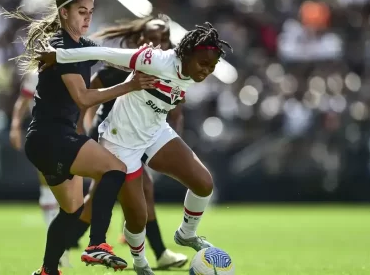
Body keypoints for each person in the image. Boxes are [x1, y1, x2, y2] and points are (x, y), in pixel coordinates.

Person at [36, 21, 232, 274]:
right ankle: (140, 262)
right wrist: (59, 55)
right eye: (203, 64)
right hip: (120, 142)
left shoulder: (190, 71)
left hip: (154, 132)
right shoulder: (154, 59)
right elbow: (104, 53)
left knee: (204, 183)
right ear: (186, 54)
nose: (206, 71)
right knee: (138, 217)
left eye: (212, 67)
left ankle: (186, 234)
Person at [3, 0, 157, 275]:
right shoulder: (61, 47)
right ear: (64, 13)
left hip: (47, 141)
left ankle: (48, 270)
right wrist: (131, 85)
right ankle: (96, 244)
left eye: (90, 11)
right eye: (81, 11)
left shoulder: (81, 46)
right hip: (53, 137)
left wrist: (143, 57)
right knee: (115, 170)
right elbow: (84, 98)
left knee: (71, 211)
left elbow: (112, 57)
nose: (88, 17)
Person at [65, 15, 188, 269]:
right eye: (152, 38)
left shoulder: (168, 72)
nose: (158, 43)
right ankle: (160, 252)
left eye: (163, 39)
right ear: (138, 40)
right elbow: (86, 100)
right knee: (142, 190)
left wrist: (167, 143)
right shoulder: (114, 70)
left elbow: (175, 113)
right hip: (111, 139)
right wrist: (83, 131)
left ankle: (62, 244)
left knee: (97, 200)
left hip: (141, 141)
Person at [9, 71, 72, 268]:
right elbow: (23, 100)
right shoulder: (36, 74)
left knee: (69, 191)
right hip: (45, 132)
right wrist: (15, 125)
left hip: (70, 130)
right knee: (48, 186)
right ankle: (58, 246)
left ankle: (70, 241)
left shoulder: (74, 66)